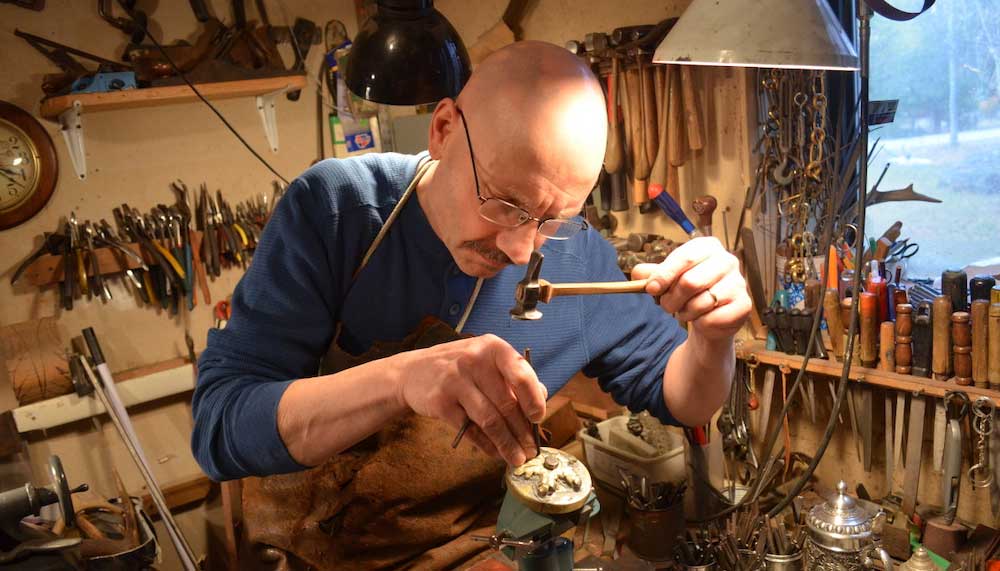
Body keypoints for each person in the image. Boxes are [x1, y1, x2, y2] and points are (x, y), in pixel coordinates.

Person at [192, 40, 750, 570]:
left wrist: (713, 335)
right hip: (317, 553)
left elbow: (686, 401)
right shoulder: (337, 210)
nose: (520, 250)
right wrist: (400, 379)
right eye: (504, 203)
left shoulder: (579, 257)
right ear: (443, 130)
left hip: (473, 550)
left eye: (551, 220)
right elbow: (219, 430)